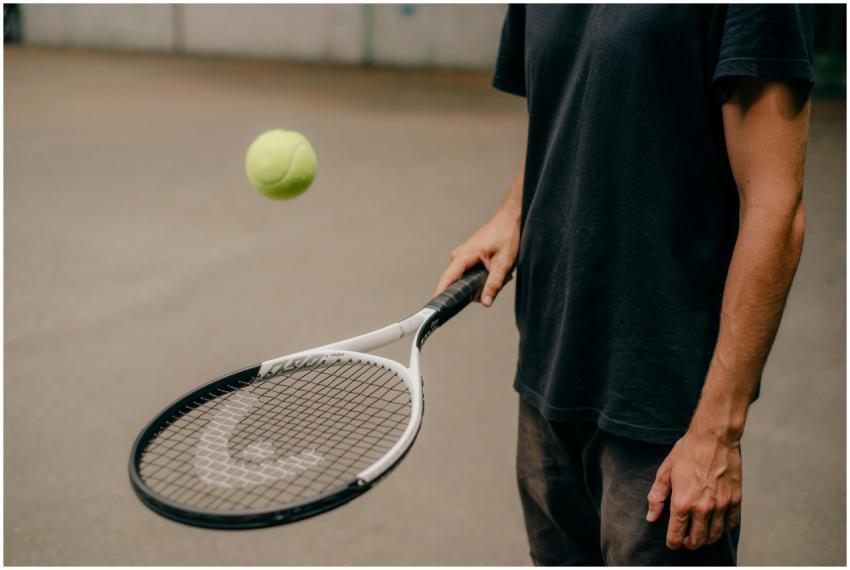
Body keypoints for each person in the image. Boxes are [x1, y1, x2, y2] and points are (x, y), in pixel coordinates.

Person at [434, 5, 814, 566]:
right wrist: (514, 210)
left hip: (664, 413)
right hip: (547, 378)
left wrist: (717, 434)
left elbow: (775, 208)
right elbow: (568, 98)